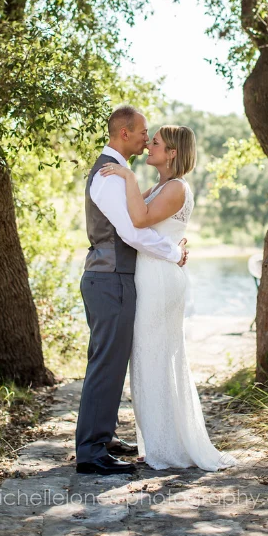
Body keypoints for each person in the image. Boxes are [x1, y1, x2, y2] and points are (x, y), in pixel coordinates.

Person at [100, 123, 237, 471]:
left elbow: (140, 218)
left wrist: (127, 178)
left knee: (157, 356)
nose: (149, 146)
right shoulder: (161, 185)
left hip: (160, 279)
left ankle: (169, 447)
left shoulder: (176, 187)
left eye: (156, 143)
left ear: (172, 153)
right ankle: (158, 441)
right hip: (151, 274)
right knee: (147, 357)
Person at [75, 105, 188, 476]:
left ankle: (102, 438)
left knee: (111, 360)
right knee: (106, 363)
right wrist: (174, 252)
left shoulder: (116, 173)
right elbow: (132, 232)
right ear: (125, 134)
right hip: (111, 279)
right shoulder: (109, 176)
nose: (146, 138)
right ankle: (91, 452)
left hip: (114, 278)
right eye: (143, 133)